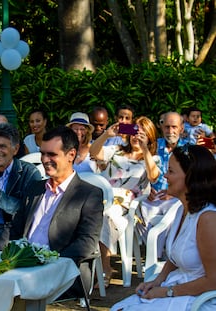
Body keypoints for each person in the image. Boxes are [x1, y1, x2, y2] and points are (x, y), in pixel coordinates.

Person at [111, 145, 216, 311]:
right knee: (118, 308)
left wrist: (167, 292)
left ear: (190, 177)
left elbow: (213, 280)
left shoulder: (208, 219)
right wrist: (157, 281)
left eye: (171, 171)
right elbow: (174, 258)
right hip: (178, 288)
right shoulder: (182, 209)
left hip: (199, 300)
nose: (165, 176)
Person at [11, 126, 104, 298]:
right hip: (20, 267)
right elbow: (15, 229)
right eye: (42, 153)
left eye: (52, 154)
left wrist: (47, 263)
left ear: (70, 155)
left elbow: (87, 242)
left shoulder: (89, 194)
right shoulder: (34, 189)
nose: (45, 159)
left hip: (62, 272)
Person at [89, 116, 160, 287]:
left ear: (150, 137)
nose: (137, 136)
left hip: (127, 204)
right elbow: (93, 153)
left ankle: (106, 267)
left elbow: (153, 177)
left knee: (107, 215)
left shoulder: (151, 158)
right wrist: (107, 134)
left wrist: (145, 150)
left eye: (143, 133)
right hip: (103, 196)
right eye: (135, 131)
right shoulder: (116, 149)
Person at [0, 123, 41, 250]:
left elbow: (28, 212)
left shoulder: (29, 173)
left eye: (2, 146)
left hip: (10, 234)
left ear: (15, 149)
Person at [136, 112, 187, 257]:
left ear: (181, 128)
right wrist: (147, 189)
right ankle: (158, 254)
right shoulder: (153, 146)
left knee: (171, 218)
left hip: (177, 198)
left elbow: (192, 177)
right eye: (167, 127)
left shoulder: (189, 149)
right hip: (153, 197)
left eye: (174, 127)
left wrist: (173, 193)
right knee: (137, 214)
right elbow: (141, 168)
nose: (170, 131)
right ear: (161, 127)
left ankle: (161, 256)